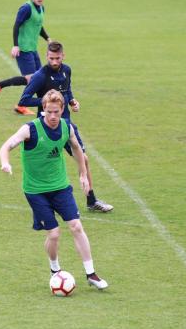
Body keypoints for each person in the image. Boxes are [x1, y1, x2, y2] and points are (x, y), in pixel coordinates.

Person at [0, 89, 109, 290]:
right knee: (55, 233)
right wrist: (5, 163)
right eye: (49, 112)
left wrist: (83, 174)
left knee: (76, 226)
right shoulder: (30, 129)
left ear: (62, 110)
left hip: (60, 187)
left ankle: (91, 274)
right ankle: (55, 269)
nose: (52, 116)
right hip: (35, 191)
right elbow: (6, 146)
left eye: (56, 112)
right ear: (43, 109)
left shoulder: (67, 127)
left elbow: (76, 149)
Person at [18, 41, 114, 213]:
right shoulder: (40, 76)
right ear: (46, 56)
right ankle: (43, 199)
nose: (54, 62)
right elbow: (23, 100)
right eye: (51, 58)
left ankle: (91, 200)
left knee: (83, 159)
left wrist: (71, 101)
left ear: (63, 56)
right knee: (47, 163)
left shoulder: (67, 70)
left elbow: (67, 89)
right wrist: (47, 102)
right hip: (46, 128)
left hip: (66, 125)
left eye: (58, 58)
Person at [0, 0, 51, 115]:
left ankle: (22, 105)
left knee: (39, 78)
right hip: (23, 49)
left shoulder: (41, 9)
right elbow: (16, 25)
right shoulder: (26, 8)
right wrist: (15, 45)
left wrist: (47, 39)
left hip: (33, 49)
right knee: (32, 79)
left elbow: (38, 25)